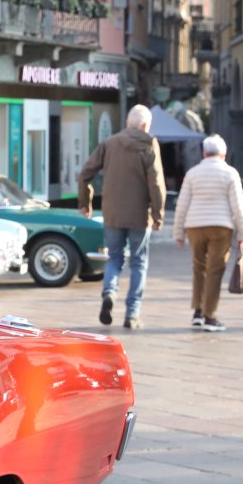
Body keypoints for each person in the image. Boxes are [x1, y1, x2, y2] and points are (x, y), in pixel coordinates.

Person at [78, 104, 166, 329]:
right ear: (145, 125)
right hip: (140, 215)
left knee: (114, 258)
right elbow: (156, 183)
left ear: (128, 123)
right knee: (138, 262)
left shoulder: (109, 143)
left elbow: (84, 174)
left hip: (113, 213)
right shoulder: (149, 145)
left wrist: (86, 203)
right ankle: (132, 314)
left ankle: (109, 292)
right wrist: (158, 214)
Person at [173, 135, 243, 332]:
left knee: (199, 267)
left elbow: (182, 204)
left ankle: (198, 312)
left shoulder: (192, 173)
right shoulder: (230, 173)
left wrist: (178, 232)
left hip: (195, 226)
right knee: (215, 270)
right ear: (223, 153)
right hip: (221, 226)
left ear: (204, 153)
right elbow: (238, 206)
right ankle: (210, 316)